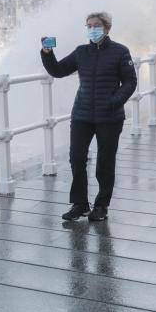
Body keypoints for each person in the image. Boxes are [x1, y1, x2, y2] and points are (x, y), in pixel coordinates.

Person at [41, 12, 137, 222]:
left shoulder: (120, 52)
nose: (92, 29)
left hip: (109, 117)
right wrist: (47, 53)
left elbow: (130, 82)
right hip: (82, 115)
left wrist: (114, 101)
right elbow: (58, 70)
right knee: (76, 158)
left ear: (107, 28)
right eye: (89, 26)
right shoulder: (81, 52)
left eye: (96, 25)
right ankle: (80, 204)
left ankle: (101, 206)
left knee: (105, 162)